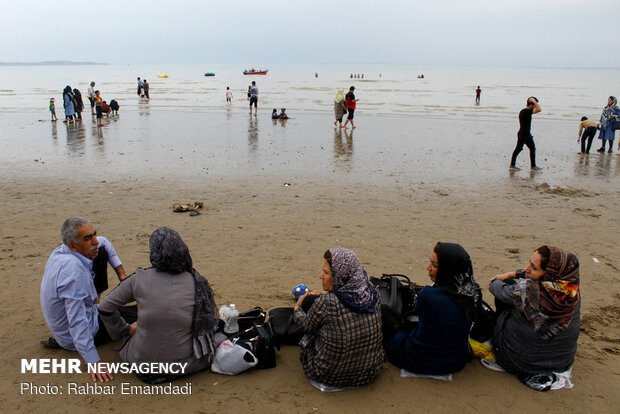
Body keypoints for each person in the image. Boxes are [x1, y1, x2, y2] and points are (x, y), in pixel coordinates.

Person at [99, 228, 218, 380]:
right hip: (183, 364)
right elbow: (210, 322)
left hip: (141, 361)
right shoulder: (197, 282)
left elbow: (105, 308)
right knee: (218, 336)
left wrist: (123, 330)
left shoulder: (138, 279)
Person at [40, 217, 137, 383]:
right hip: (77, 333)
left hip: (85, 315)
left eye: (94, 235)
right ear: (72, 245)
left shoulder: (62, 251)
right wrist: (94, 362)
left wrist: (121, 274)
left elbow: (104, 241)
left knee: (101, 251)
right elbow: (77, 322)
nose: (94, 241)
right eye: (87, 238)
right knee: (145, 313)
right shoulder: (73, 273)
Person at [488, 246, 580, 390]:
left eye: (534, 267)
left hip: (518, 360)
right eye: (529, 263)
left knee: (508, 296)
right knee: (517, 293)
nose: (527, 268)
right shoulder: (571, 290)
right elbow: (526, 273)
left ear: (549, 273)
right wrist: (513, 273)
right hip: (562, 361)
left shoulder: (529, 293)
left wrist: (500, 279)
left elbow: (496, 287)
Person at [383, 242, 481, 375]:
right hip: (456, 360)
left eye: (434, 265)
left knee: (386, 314)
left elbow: (416, 311)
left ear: (447, 269)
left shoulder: (429, 295)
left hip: (421, 361)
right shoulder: (474, 293)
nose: (428, 268)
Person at [293, 248, 384, 389]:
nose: (321, 276)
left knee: (310, 329)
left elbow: (305, 326)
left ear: (340, 276)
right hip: (369, 373)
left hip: (328, 375)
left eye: (326, 273)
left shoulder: (327, 303)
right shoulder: (372, 294)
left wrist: (298, 308)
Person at [510, 96, 542, 171]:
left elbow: (537, 109)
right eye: (533, 105)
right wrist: (534, 101)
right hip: (525, 134)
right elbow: (539, 109)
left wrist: (533, 102)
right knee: (532, 148)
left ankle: (512, 165)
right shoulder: (526, 111)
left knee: (518, 149)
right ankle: (533, 166)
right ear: (531, 105)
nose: (534, 107)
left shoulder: (523, 111)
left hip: (522, 133)